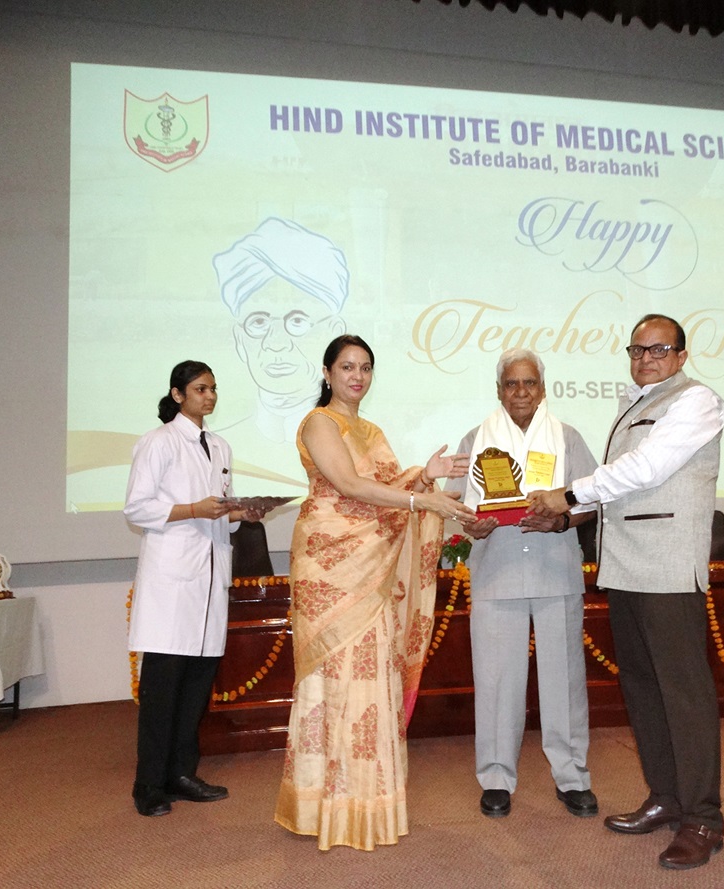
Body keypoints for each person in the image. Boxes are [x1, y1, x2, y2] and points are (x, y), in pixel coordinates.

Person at [528, 314, 724, 871]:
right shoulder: (633, 403)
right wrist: (565, 518)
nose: (646, 358)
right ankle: (666, 797)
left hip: (668, 568)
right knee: (643, 689)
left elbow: (647, 469)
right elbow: (618, 490)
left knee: (683, 695)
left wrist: (567, 494)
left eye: (659, 349)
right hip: (624, 566)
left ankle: (703, 819)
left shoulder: (697, 400)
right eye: (637, 349)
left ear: (681, 355)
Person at [274, 334, 475, 851]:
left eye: (365, 367)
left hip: (372, 569)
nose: (357, 376)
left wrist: (423, 477)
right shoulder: (320, 422)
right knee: (333, 679)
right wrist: (422, 500)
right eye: (347, 367)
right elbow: (349, 485)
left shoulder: (373, 431)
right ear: (327, 373)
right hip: (329, 567)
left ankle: (364, 802)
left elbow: (386, 490)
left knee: (372, 674)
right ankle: (322, 805)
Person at [447, 348, 599, 820]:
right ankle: (495, 778)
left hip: (557, 570)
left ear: (543, 389)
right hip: (497, 573)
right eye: (511, 383)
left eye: (529, 382)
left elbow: (592, 500)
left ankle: (572, 777)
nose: (520, 392)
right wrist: (472, 526)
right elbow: (458, 506)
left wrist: (561, 520)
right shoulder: (475, 439)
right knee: (496, 682)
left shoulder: (567, 437)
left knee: (565, 682)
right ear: (499, 391)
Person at [124, 360, 270, 817]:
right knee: (162, 690)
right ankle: (149, 785)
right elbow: (137, 509)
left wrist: (240, 513)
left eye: (213, 389)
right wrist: (193, 509)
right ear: (178, 394)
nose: (209, 396)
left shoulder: (220, 445)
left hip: (209, 582)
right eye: (200, 389)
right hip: (172, 583)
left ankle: (182, 774)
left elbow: (218, 512)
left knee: (195, 689)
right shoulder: (158, 442)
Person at [212, 217, 349, 495]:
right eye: (258, 322)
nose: (275, 344)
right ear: (239, 340)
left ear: (334, 334)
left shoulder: (361, 437)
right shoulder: (221, 446)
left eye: (297, 321)